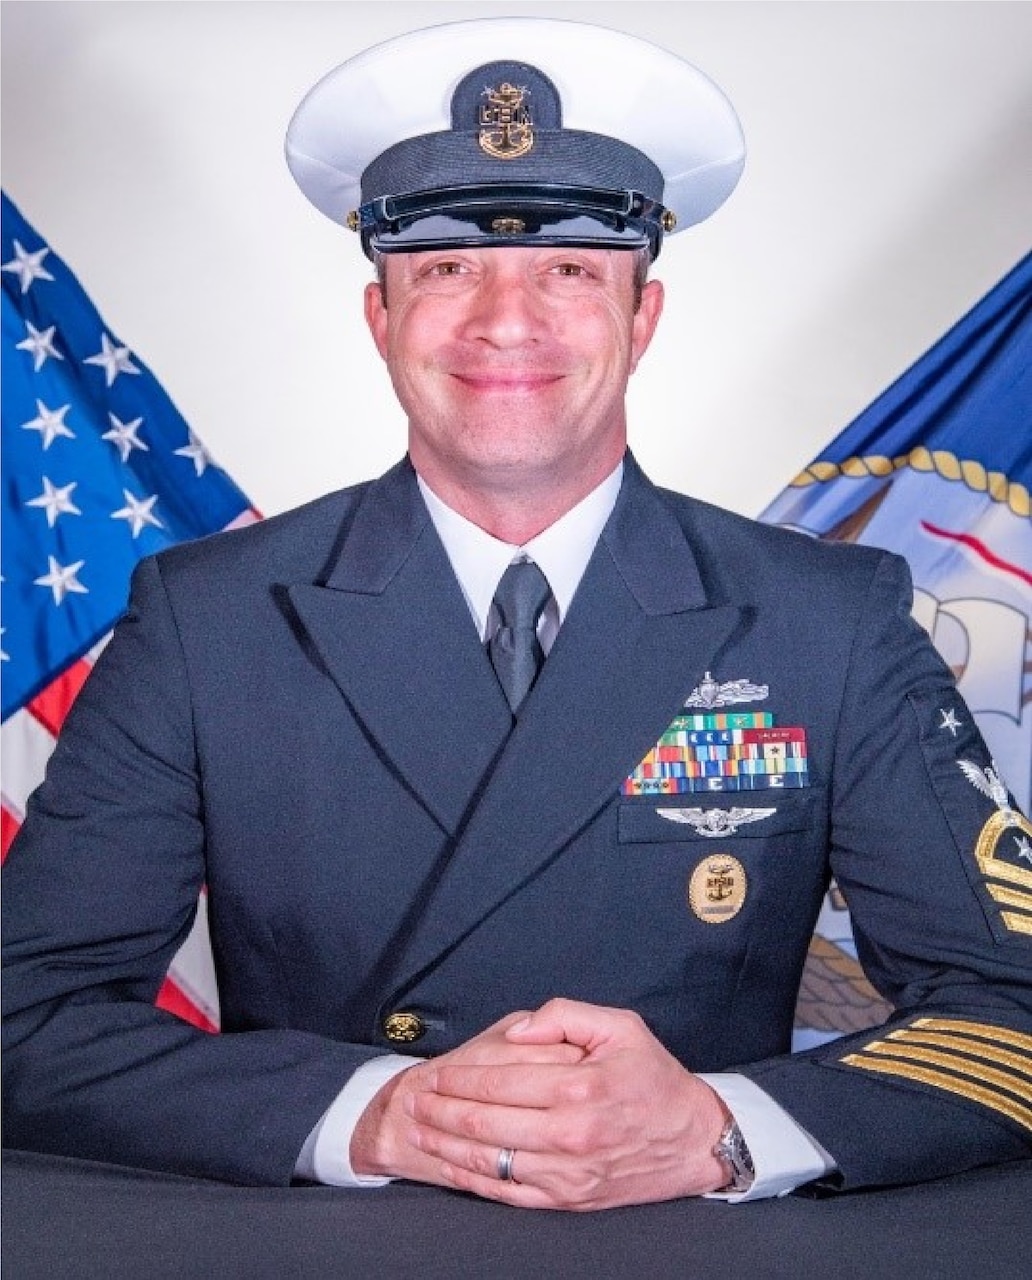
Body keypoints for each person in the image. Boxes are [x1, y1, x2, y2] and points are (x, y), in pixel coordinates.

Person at [3, 16, 1030, 1209]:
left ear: (643, 318)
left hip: (688, 1249)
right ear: (381, 319)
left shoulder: (826, 619)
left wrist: (720, 1127)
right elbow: (26, 1015)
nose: (507, 319)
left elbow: (1010, 1006)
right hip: (332, 1252)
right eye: (446, 268)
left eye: (570, 270)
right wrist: (371, 1111)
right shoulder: (207, 620)